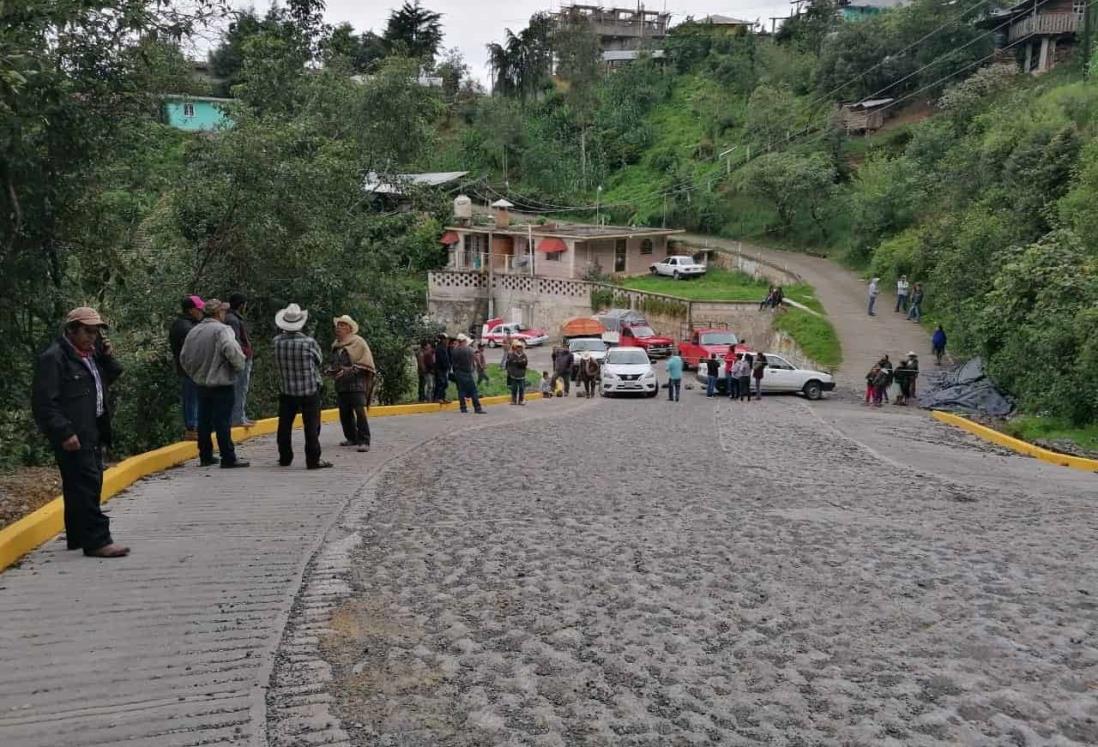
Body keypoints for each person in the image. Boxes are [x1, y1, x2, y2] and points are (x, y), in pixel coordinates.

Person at [32, 307, 129, 558]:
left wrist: (107, 357)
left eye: (96, 332)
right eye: (87, 331)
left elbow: (111, 377)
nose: (92, 336)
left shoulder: (91, 355)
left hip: (92, 428)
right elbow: (44, 403)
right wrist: (64, 432)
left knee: (83, 484)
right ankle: (98, 540)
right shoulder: (54, 358)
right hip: (73, 433)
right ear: (71, 330)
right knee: (86, 484)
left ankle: (78, 537)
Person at [180, 299, 248, 468]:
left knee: (204, 421)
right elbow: (231, 350)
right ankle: (228, 457)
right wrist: (239, 366)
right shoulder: (222, 330)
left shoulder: (195, 331)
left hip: (201, 384)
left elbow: (184, 357)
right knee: (222, 421)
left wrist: (195, 374)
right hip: (221, 383)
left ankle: (205, 455)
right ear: (219, 313)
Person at [273, 303, 331, 470]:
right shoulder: (308, 342)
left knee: (284, 425)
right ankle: (312, 460)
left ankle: (285, 457)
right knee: (311, 426)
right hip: (309, 389)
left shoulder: (276, 342)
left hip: (286, 389)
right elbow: (319, 361)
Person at [330, 315, 375, 452]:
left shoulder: (359, 342)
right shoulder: (336, 345)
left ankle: (364, 440)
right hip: (341, 384)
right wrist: (331, 370)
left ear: (349, 329)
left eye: (342, 325)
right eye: (338, 325)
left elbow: (366, 362)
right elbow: (335, 363)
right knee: (344, 412)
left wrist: (349, 370)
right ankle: (352, 437)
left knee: (359, 412)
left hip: (356, 384)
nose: (339, 328)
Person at [169, 295, 204, 440]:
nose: (201, 312)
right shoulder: (185, 327)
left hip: (191, 369)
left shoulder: (185, 324)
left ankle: (195, 426)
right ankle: (192, 428)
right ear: (191, 310)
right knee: (191, 399)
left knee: (194, 398)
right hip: (189, 370)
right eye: (198, 309)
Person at [225, 293, 254, 427]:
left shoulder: (232, 318)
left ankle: (241, 415)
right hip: (241, 360)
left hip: (242, 358)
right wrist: (242, 355)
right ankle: (237, 418)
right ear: (241, 305)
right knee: (240, 388)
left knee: (241, 388)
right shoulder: (233, 320)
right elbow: (235, 342)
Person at [450, 333, 487, 415]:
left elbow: (453, 362)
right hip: (467, 372)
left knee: (461, 391)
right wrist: (480, 366)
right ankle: (477, 408)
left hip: (458, 373)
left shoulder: (454, 351)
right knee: (473, 391)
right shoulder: (469, 350)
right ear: (463, 341)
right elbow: (476, 357)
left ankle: (463, 408)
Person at [432, 333, 451, 404]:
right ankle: (437, 398)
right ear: (442, 340)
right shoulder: (439, 348)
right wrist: (446, 365)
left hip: (444, 369)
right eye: (445, 339)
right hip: (440, 369)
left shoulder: (444, 348)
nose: (447, 341)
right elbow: (442, 359)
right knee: (441, 383)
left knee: (444, 383)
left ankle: (442, 397)